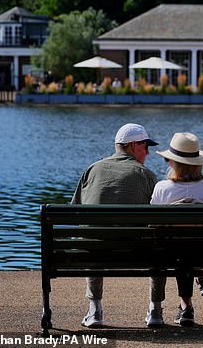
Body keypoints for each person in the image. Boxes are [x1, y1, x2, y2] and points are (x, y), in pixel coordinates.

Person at [71, 123, 160, 328]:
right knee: (158, 242)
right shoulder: (146, 175)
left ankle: (95, 311)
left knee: (92, 238)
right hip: (138, 252)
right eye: (145, 146)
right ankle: (155, 310)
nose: (148, 153)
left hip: (95, 253)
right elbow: (159, 218)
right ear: (132, 145)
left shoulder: (92, 170)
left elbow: (75, 212)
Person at [150, 132, 203, 327]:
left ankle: (186, 307)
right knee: (190, 247)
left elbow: (153, 225)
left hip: (169, 253)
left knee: (179, 247)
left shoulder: (162, 188)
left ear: (172, 162)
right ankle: (189, 299)